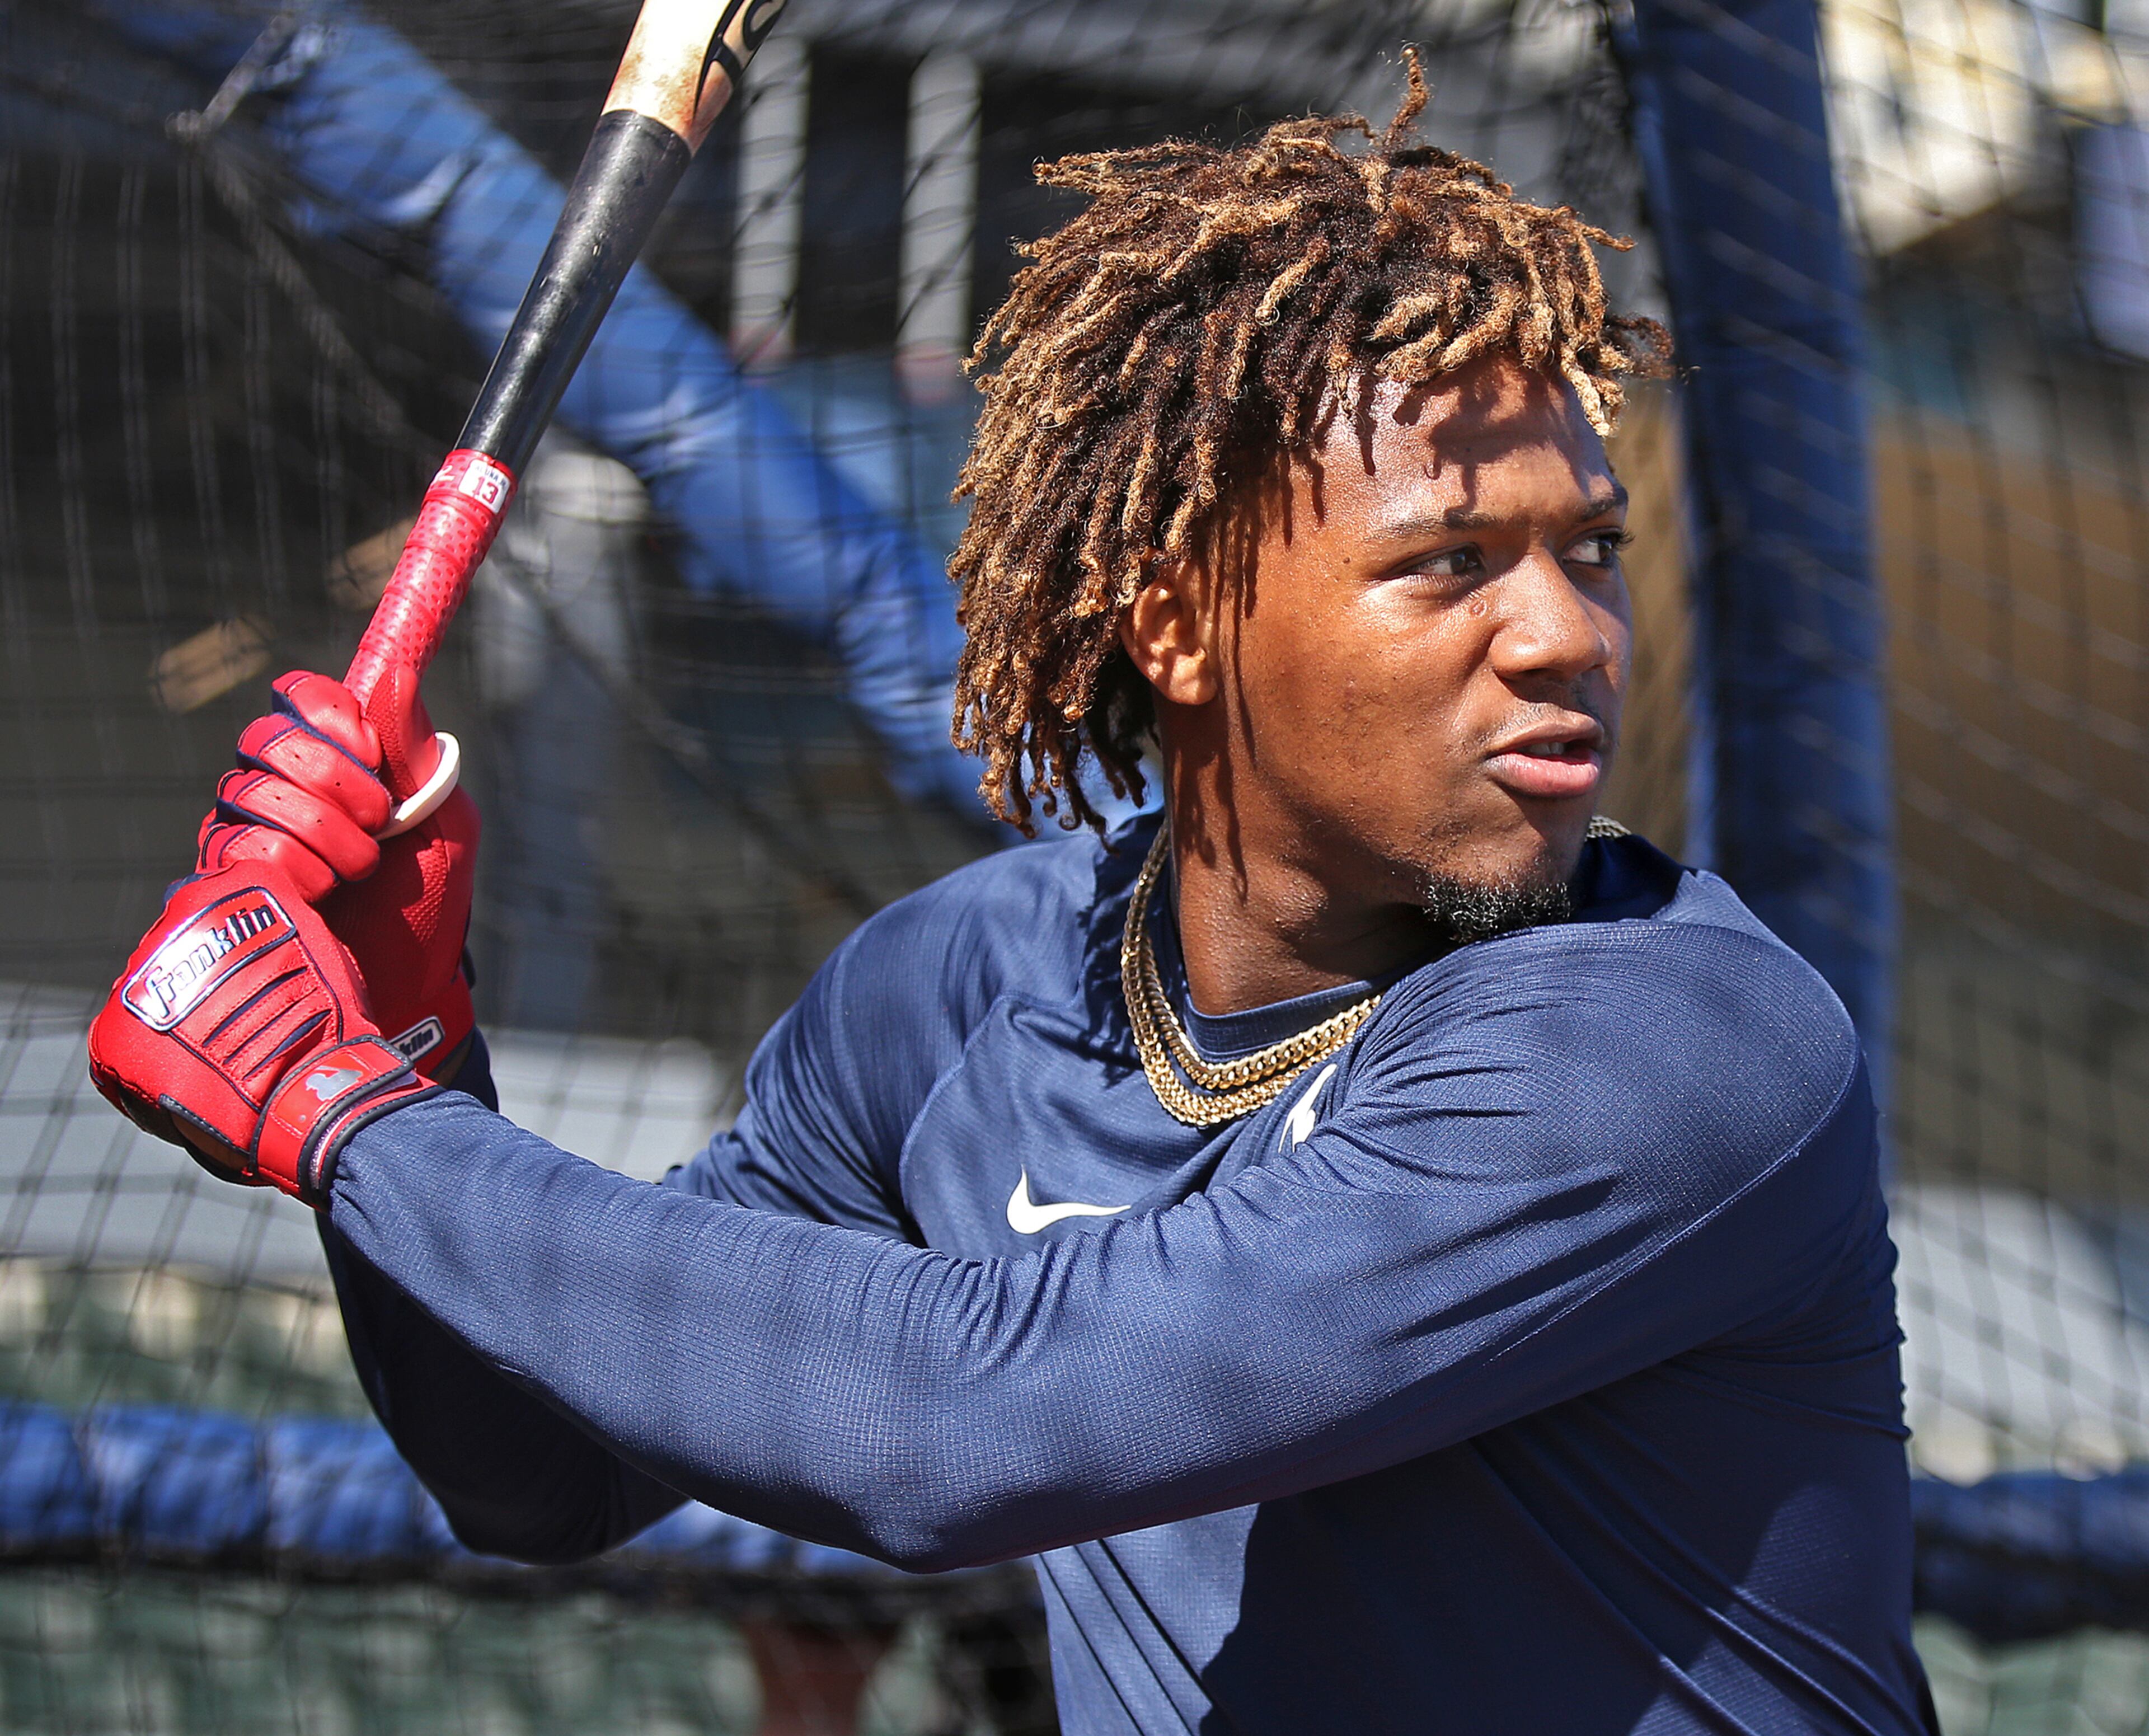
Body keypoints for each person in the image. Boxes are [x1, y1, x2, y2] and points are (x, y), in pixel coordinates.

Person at [88, 69, 1936, 1735]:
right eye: (1448, 562)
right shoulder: (963, 984)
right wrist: (411, 1016)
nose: (1565, 638)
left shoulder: (1667, 1034)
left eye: (1589, 550)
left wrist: (335, 1107)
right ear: (1174, 614)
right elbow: (537, 1475)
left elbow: (975, 1424)